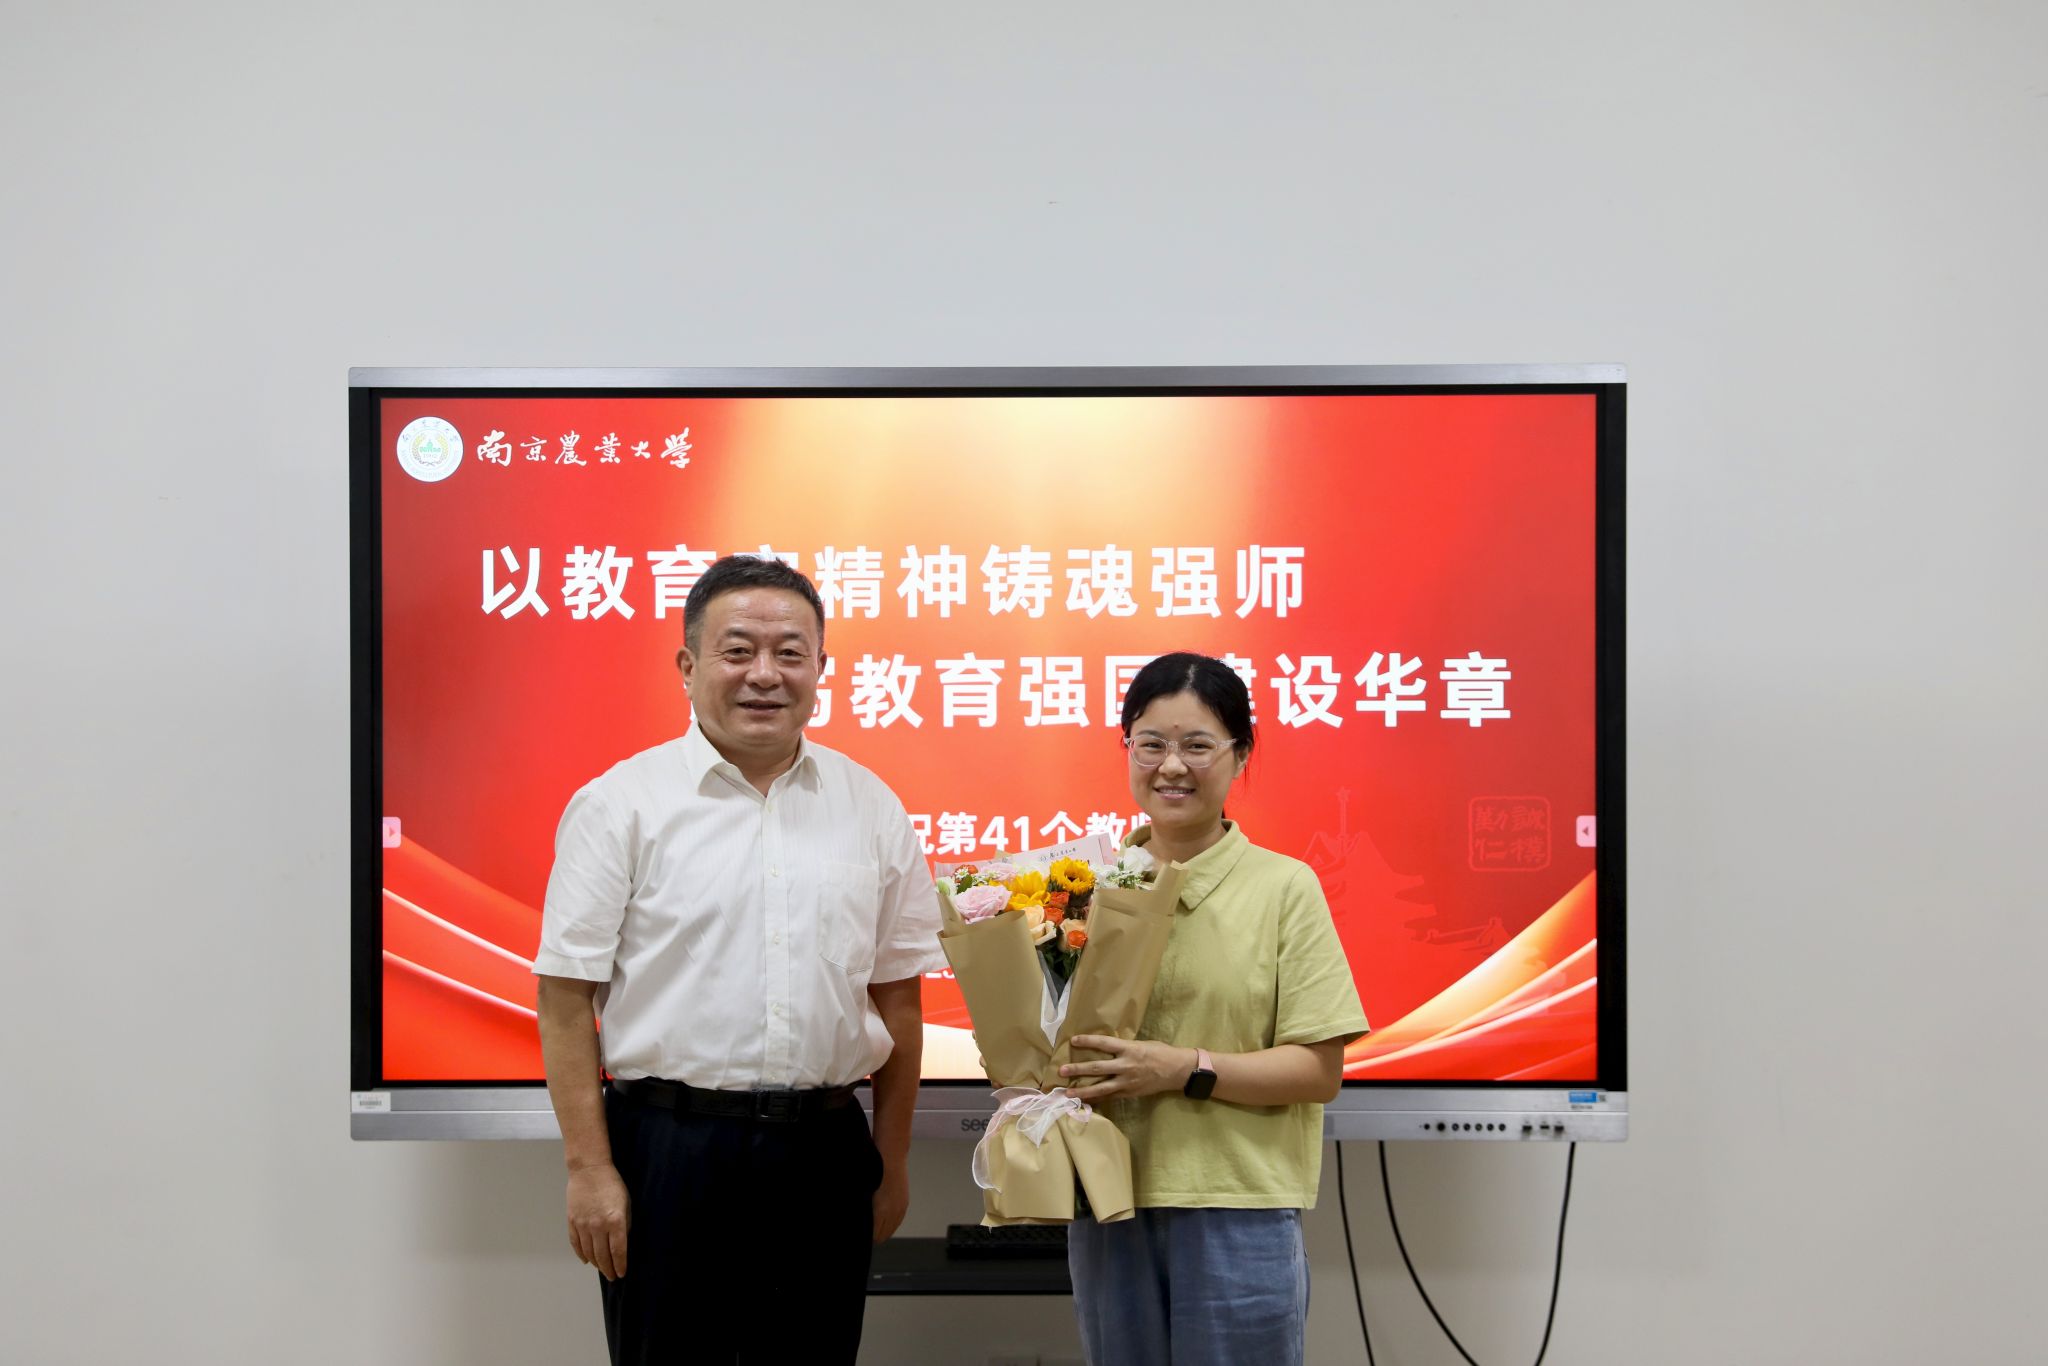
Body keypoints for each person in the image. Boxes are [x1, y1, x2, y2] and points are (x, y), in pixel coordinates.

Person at [532, 554, 946, 1366]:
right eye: (737, 650)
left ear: (821, 669)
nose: (765, 674)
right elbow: (564, 998)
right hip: (668, 1152)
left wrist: (891, 1162)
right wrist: (589, 1169)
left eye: (790, 653)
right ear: (688, 667)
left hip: (826, 1153)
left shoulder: (870, 805)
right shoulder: (621, 804)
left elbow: (898, 997)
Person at [1057, 651, 1370, 1366]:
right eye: (1151, 744)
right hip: (1109, 1197)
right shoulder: (1083, 888)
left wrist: (1183, 1069)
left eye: (1198, 745)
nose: (1172, 766)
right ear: (1127, 749)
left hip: (1238, 1206)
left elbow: (1318, 1070)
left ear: (1240, 755)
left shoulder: (1284, 888)